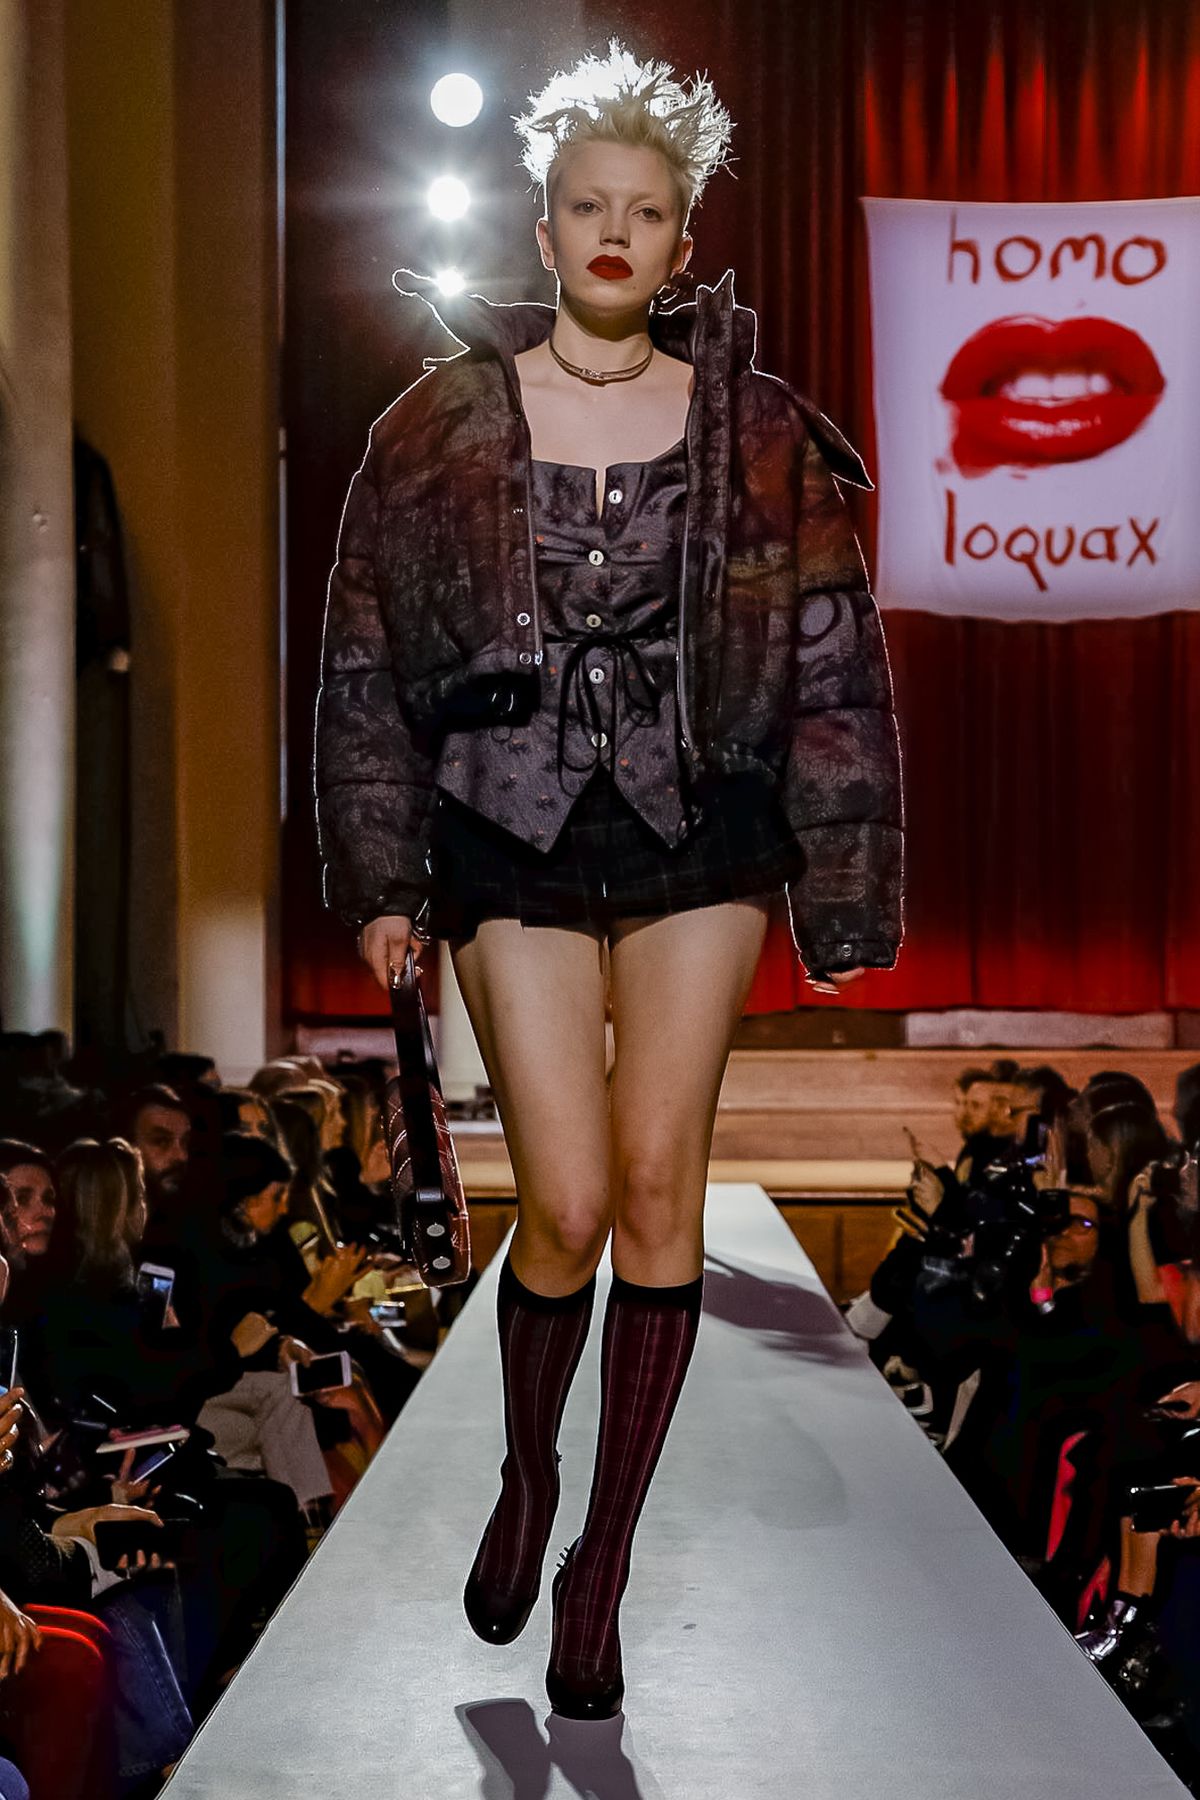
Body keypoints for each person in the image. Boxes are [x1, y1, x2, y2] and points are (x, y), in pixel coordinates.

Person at [313, 44, 904, 1719]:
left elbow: (834, 659)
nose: (617, 232)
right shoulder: (434, 426)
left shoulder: (761, 431)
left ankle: (603, 1567)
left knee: (658, 1187)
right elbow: (363, 659)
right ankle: (527, 1475)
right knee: (561, 1204)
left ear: (683, 233)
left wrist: (842, 883)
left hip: (701, 827)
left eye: (647, 210)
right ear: (546, 222)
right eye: (590, 205)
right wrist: (380, 871)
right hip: (503, 828)